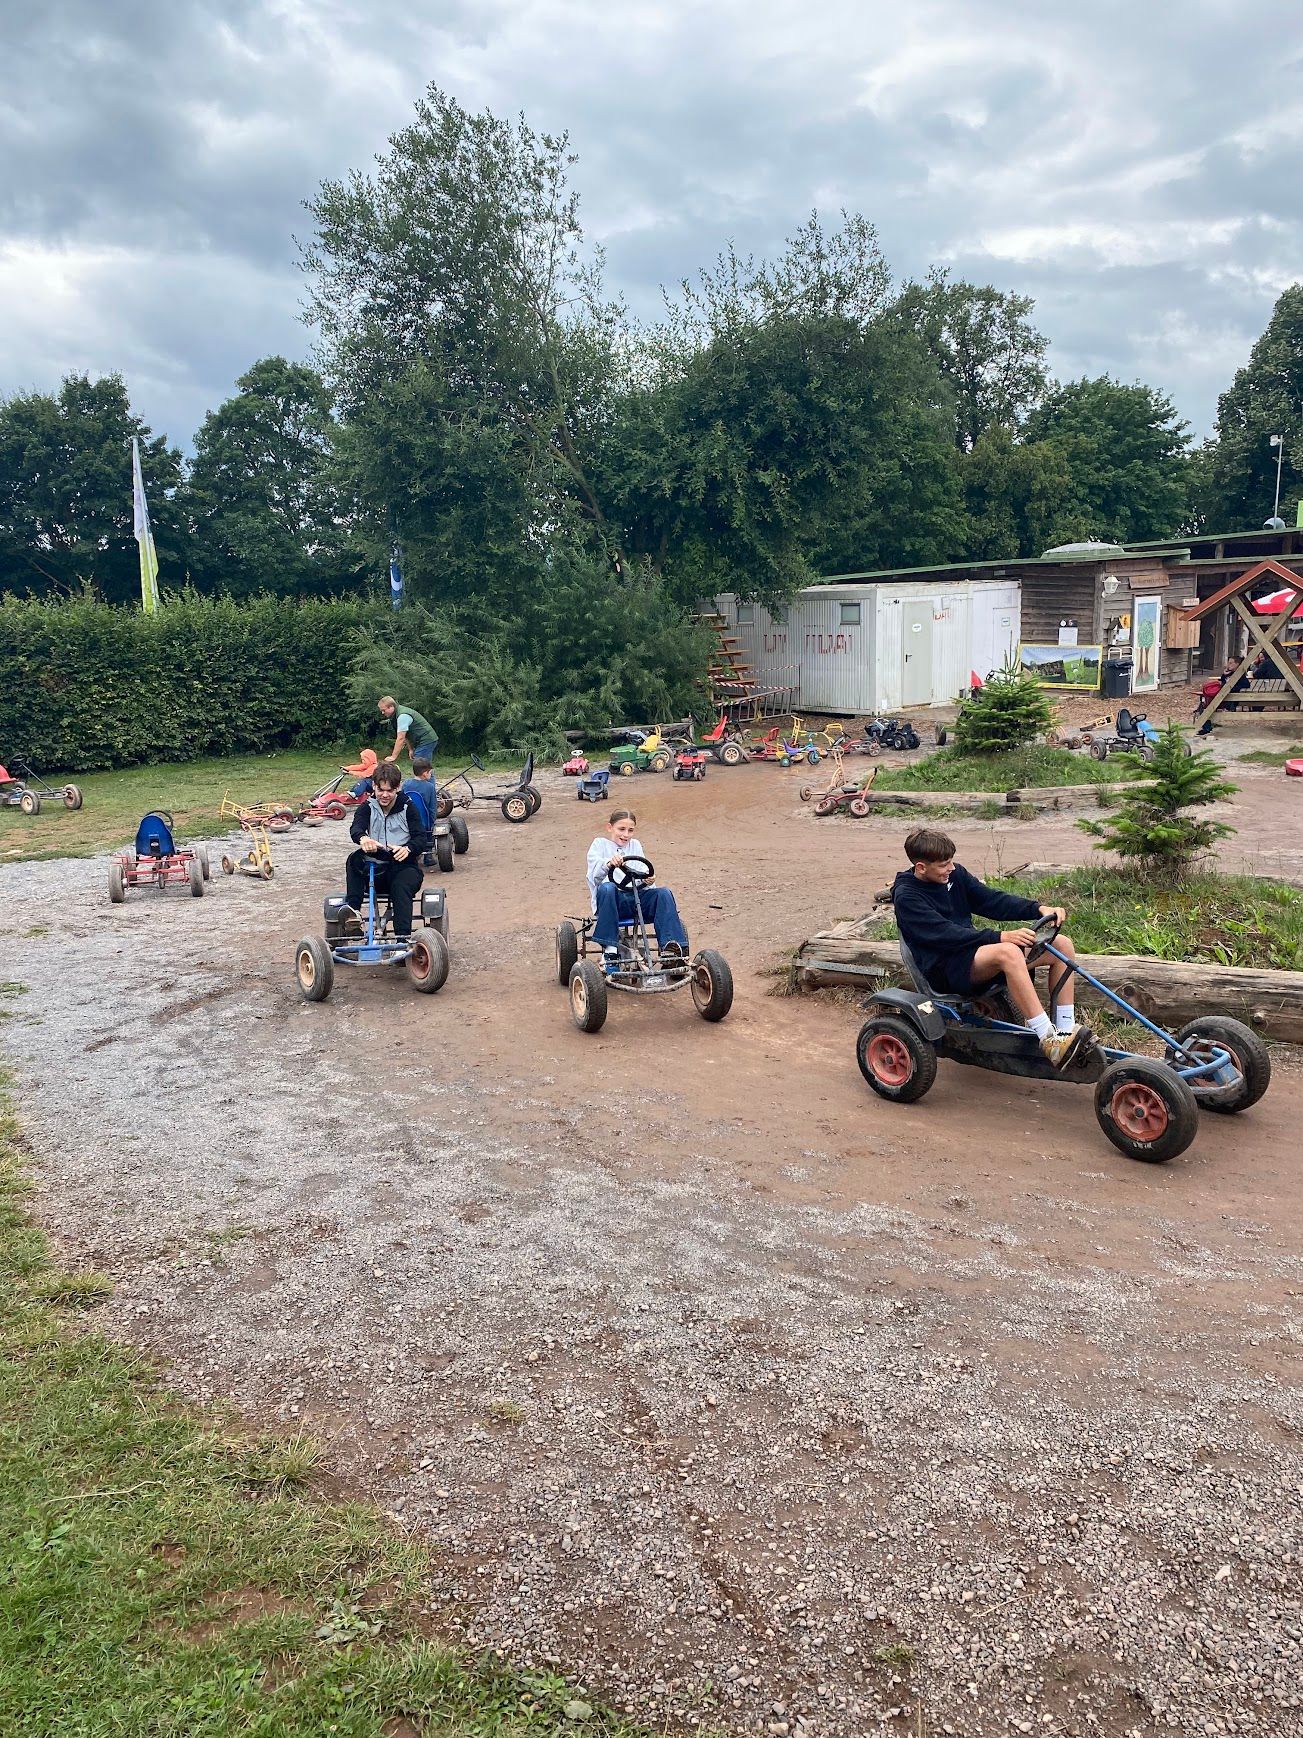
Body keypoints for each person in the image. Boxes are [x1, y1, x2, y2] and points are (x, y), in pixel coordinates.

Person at [892, 827, 1094, 1069]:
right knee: (1007, 951)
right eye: (944, 864)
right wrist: (999, 937)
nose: (951, 868)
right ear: (921, 867)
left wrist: (1037, 908)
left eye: (951, 861)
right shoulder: (907, 896)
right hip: (944, 968)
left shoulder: (954, 877)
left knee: (1061, 944)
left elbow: (991, 901)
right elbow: (945, 933)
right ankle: (1048, 1039)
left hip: (971, 956)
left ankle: (1064, 1032)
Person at [586, 809, 689, 972]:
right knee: (608, 887)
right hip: (612, 903)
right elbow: (594, 877)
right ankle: (611, 952)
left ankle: (673, 952)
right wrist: (608, 863)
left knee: (664, 893)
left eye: (630, 830)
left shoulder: (635, 845)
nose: (626, 835)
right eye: (621, 829)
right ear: (609, 827)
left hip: (636, 900)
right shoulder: (599, 844)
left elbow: (642, 871)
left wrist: (648, 879)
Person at [343, 760, 431, 938]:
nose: (384, 795)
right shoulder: (367, 806)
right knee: (354, 859)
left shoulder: (408, 807)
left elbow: (421, 838)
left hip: (403, 865)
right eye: (380, 790)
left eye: (389, 790)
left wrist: (408, 848)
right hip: (376, 866)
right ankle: (353, 913)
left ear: (397, 788)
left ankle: (402, 938)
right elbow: (356, 828)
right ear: (373, 786)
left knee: (401, 885)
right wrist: (364, 838)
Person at [401, 749, 439, 869]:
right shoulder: (429, 787)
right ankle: (428, 856)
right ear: (425, 773)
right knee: (429, 829)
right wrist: (432, 822)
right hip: (423, 823)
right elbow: (432, 807)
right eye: (430, 773)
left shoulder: (406, 784)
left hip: (407, 821)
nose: (430, 775)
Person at [377, 696, 439, 769]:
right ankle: (429, 780)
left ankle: (426, 780)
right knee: (425, 766)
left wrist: (393, 756)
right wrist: (411, 749)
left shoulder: (402, 716)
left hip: (427, 739)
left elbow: (401, 738)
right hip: (424, 740)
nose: (382, 713)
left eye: (384, 710)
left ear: (391, 707)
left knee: (419, 766)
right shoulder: (396, 715)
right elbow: (406, 735)